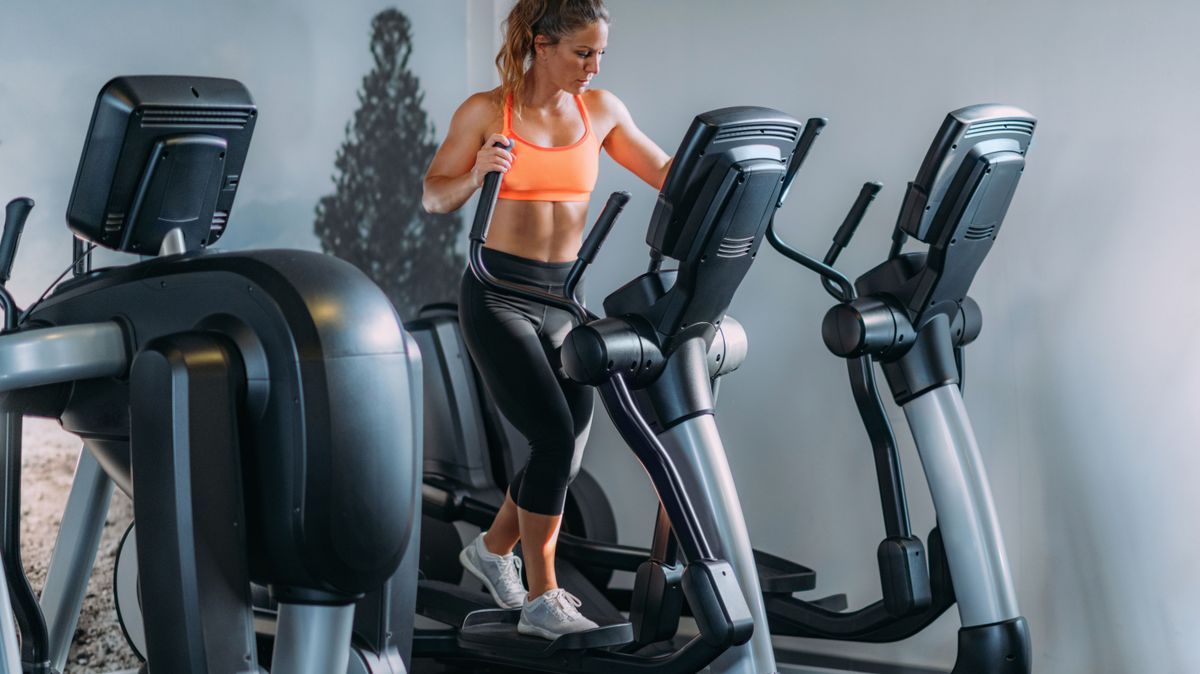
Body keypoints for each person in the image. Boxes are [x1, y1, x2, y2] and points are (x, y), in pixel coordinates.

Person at [422, 0, 671, 641]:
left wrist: (743, 177)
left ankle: (491, 549)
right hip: (497, 293)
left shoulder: (602, 111)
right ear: (542, 43)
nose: (592, 66)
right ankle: (542, 595)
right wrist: (477, 171)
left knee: (568, 446)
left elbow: (669, 174)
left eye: (599, 55)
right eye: (581, 53)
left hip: (563, 297)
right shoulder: (487, 111)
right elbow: (433, 194)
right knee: (553, 439)